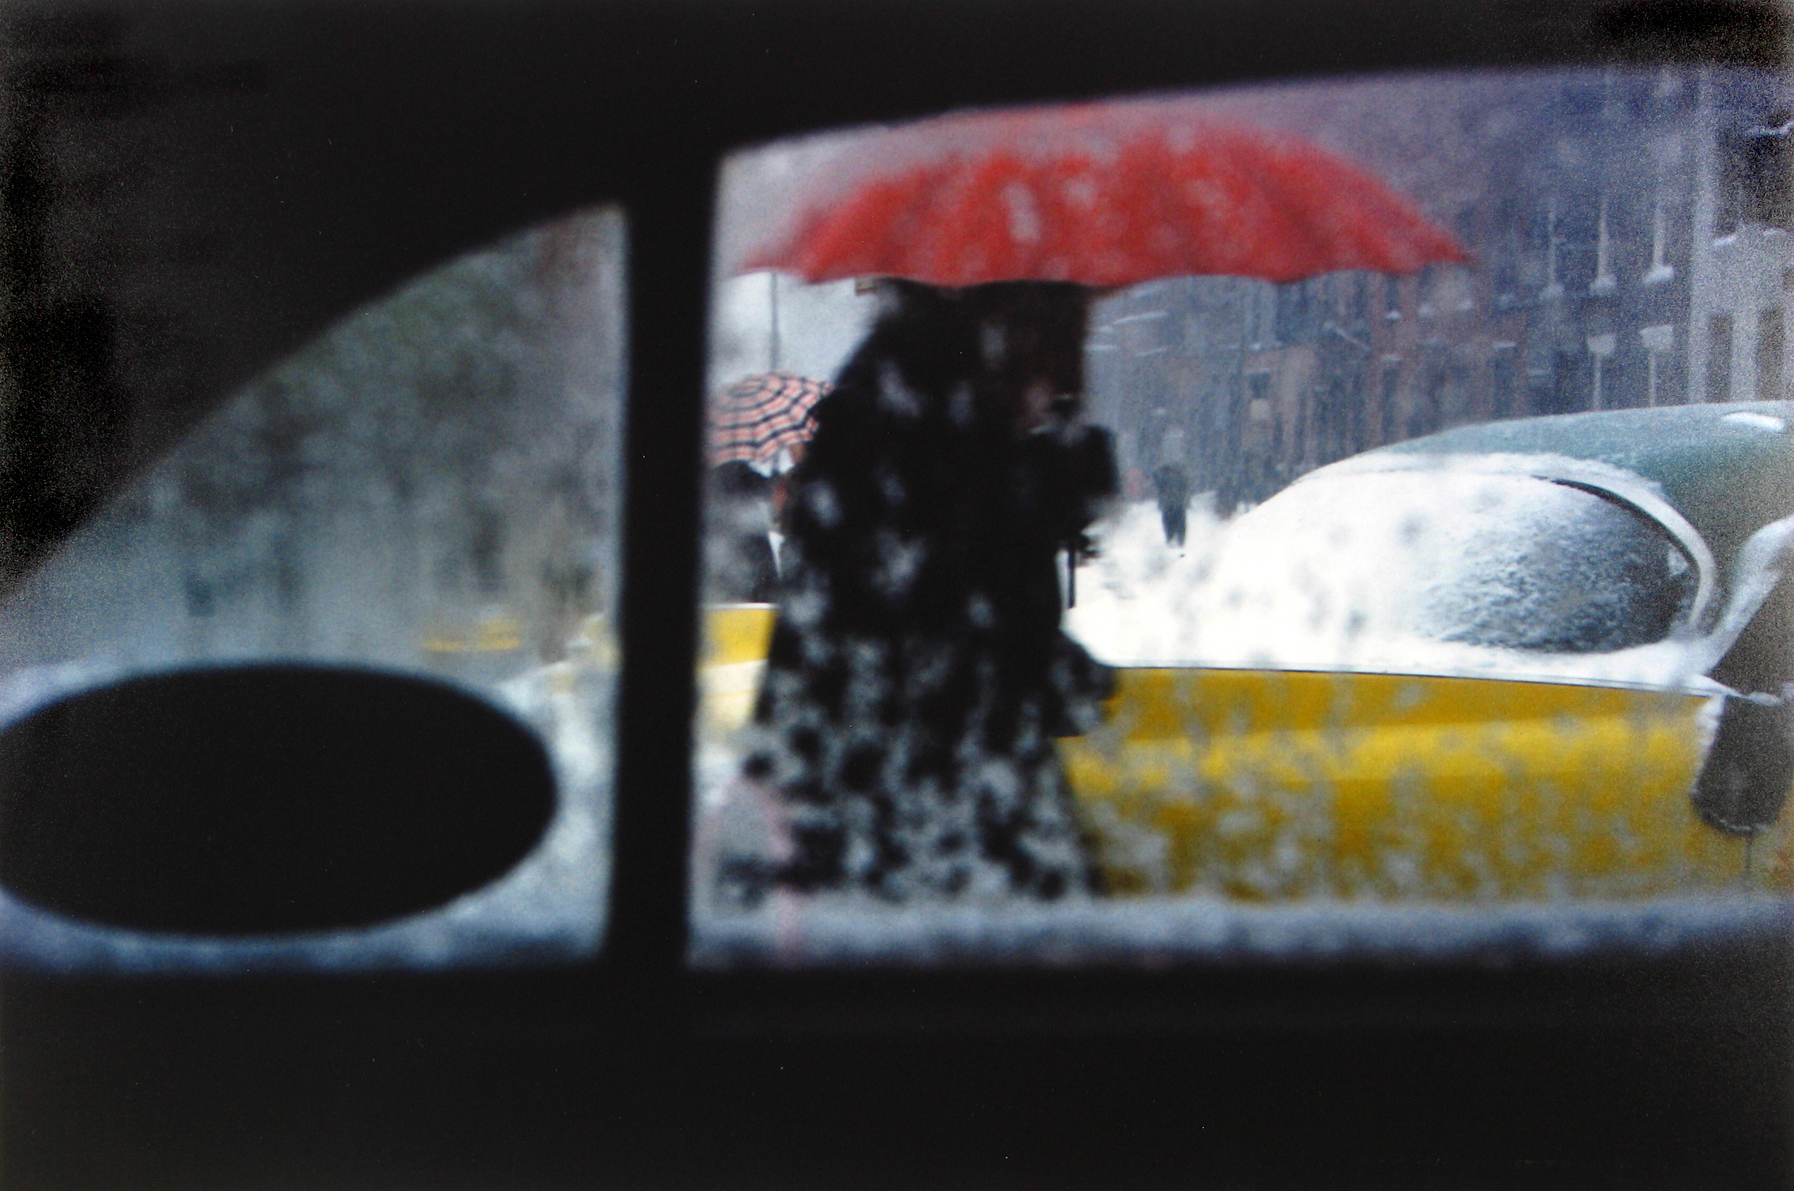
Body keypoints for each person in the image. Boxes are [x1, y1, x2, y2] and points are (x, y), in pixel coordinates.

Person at [742, 280, 1117, 902]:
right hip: (903, 839)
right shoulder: (917, 434)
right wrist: (1034, 504)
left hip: (880, 825)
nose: (1064, 380)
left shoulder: (921, 413)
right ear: (1021, 325)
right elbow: (938, 657)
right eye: (1070, 333)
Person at [1151, 460, 1192, 547]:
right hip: (1179, 503)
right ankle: (1181, 541)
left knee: (1168, 522)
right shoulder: (1181, 475)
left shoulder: (1162, 475)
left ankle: (1170, 539)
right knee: (1180, 523)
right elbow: (1187, 486)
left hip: (1167, 504)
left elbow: (1156, 483)